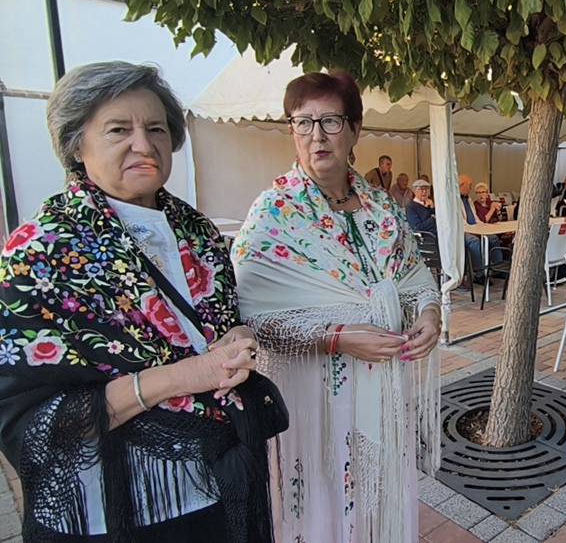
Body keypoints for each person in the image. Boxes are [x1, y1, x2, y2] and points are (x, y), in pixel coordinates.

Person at [0, 61, 282, 542]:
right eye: (118, 130)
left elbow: (218, 324)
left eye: (155, 128)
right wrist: (183, 376)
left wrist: (239, 338)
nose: (143, 143)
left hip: (217, 487)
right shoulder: (40, 251)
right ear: (76, 144)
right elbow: (26, 421)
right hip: (114, 508)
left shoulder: (199, 232)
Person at [232, 71, 442, 543]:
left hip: (384, 389)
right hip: (314, 401)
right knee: (323, 508)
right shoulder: (273, 212)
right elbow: (249, 318)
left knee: (379, 503)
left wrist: (429, 313)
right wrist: (336, 337)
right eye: (303, 123)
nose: (317, 136)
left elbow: (413, 275)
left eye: (330, 121)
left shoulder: (381, 207)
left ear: (354, 130)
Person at [458, 174, 501, 276]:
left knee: (493, 238)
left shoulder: (468, 199)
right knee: (474, 241)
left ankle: (498, 268)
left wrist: (483, 226)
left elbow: (476, 218)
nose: (471, 188)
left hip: (475, 227)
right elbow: (461, 222)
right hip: (463, 230)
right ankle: (479, 273)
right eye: (469, 186)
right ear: (462, 185)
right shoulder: (455, 200)